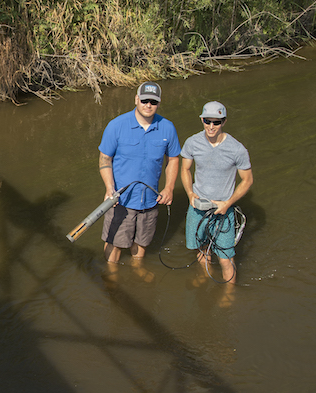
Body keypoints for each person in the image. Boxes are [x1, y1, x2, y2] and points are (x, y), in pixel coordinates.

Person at [98, 81, 181, 265]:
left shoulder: (167, 127)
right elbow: (104, 159)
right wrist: (109, 187)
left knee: (141, 244)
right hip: (120, 200)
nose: (148, 105)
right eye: (144, 100)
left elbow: (173, 159)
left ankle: (137, 272)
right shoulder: (116, 125)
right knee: (114, 244)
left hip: (150, 201)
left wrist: (169, 188)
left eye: (153, 101)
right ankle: (111, 278)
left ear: (159, 103)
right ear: (136, 99)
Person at [180, 101, 253, 284]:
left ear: (224, 122)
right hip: (197, 207)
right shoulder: (192, 142)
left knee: (226, 258)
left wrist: (228, 203)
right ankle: (205, 278)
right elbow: (185, 169)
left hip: (223, 209)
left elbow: (247, 180)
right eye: (207, 121)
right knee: (201, 249)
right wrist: (190, 193)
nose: (211, 126)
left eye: (216, 122)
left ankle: (229, 295)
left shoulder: (237, 149)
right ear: (202, 120)